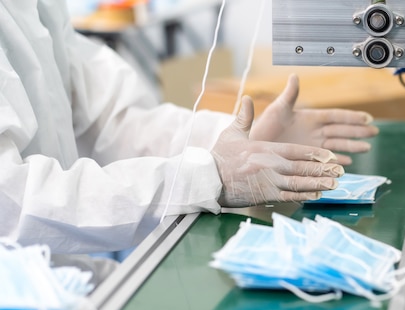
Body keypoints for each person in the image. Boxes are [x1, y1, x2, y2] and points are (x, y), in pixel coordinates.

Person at [0, 0, 379, 256]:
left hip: (72, 292)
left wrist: (244, 141)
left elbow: (115, 122)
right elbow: (14, 203)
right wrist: (207, 177)